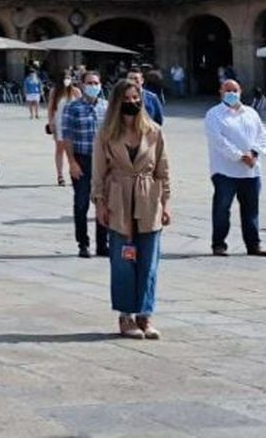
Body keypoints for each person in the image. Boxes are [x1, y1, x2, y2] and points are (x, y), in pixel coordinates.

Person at [92, 78, 172, 339]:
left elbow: (163, 170)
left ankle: (145, 315)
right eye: (126, 100)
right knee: (124, 261)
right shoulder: (106, 133)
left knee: (149, 261)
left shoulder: (154, 131)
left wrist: (166, 203)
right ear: (117, 103)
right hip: (119, 199)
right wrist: (100, 203)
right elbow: (99, 172)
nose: (132, 103)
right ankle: (126, 316)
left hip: (148, 198)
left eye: (135, 98)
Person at [206, 79, 266, 257]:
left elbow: (262, 134)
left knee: (251, 209)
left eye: (235, 90)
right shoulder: (214, 114)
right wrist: (240, 156)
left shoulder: (250, 113)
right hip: (225, 170)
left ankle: (253, 244)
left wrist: (254, 153)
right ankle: (219, 244)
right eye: (228, 90)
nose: (232, 94)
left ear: (240, 91)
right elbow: (218, 141)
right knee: (222, 209)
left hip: (251, 171)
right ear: (221, 92)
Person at [59, 71, 110, 258]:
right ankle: (83, 243)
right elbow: (67, 136)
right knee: (81, 203)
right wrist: (71, 162)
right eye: (89, 83)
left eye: (96, 83)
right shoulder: (72, 108)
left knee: (103, 201)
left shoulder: (107, 107)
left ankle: (102, 243)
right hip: (82, 159)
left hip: (103, 161)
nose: (93, 86)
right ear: (81, 85)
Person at [46, 79, 79, 186]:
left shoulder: (76, 91)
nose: (66, 80)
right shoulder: (55, 92)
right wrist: (51, 122)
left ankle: (73, 173)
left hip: (74, 124)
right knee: (60, 149)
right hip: (59, 123)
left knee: (74, 151)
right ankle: (60, 175)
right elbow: (51, 108)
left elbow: (81, 106)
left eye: (68, 77)